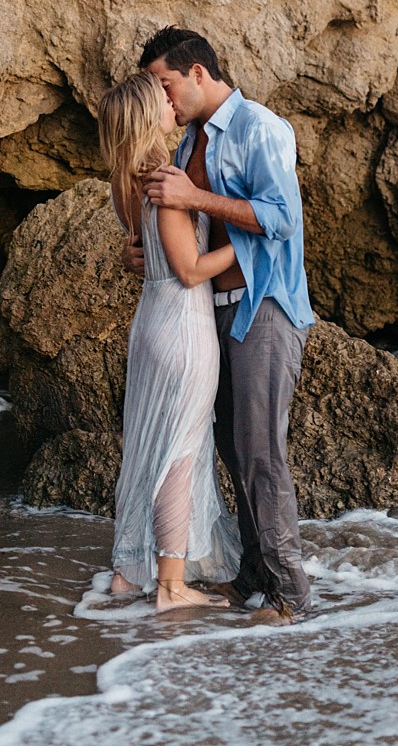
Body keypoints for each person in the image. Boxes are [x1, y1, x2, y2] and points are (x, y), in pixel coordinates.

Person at [133, 25, 317, 622]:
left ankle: (290, 594)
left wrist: (194, 199)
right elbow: (189, 231)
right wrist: (148, 251)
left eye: (166, 85)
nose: (164, 100)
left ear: (197, 74)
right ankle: (254, 573)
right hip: (209, 313)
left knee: (262, 451)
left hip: (264, 307)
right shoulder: (188, 146)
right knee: (233, 452)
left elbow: (282, 218)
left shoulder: (260, 127)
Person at [97, 69, 240, 611]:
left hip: (149, 323)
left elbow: (146, 254)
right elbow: (189, 269)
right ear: (146, 115)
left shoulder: (122, 182)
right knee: (179, 454)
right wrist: (250, 251)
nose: (171, 102)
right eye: (161, 98)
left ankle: (127, 573)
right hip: (183, 325)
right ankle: (172, 586)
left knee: (147, 447)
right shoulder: (164, 180)